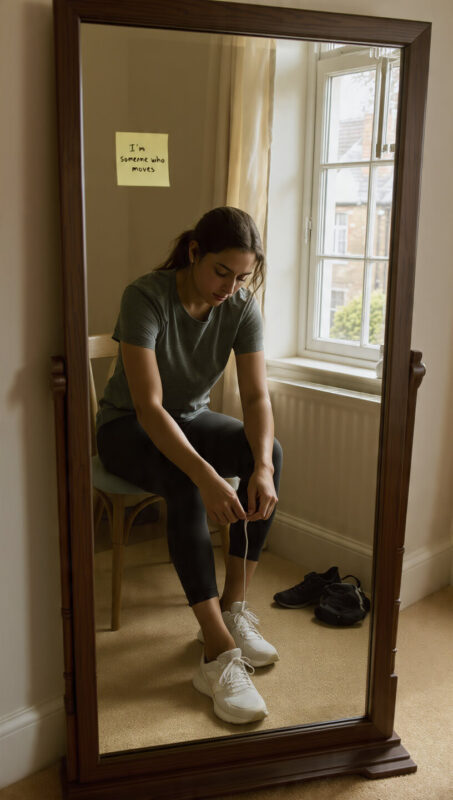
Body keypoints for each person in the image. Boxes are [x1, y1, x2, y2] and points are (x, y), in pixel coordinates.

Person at [96, 206, 283, 725]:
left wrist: (262, 466)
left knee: (266, 452)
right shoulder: (146, 296)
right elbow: (149, 408)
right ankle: (216, 653)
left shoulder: (242, 307)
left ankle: (233, 609)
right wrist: (205, 476)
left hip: (189, 419)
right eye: (221, 271)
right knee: (184, 483)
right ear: (195, 252)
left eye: (242, 276)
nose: (230, 286)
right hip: (127, 428)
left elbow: (255, 397)